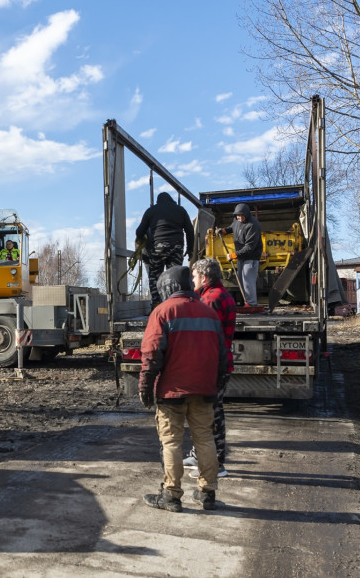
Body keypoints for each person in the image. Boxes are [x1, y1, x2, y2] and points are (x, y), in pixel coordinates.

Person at [139, 266, 228, 513]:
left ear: (168, 288)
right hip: (204, 390)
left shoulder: (163, 312)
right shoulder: (209, 314)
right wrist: (217, 383)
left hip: (171, 392)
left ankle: (171, 495)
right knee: (205, 439)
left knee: (172, 443)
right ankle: (207, 493)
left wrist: (145, 384)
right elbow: (222, 355)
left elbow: (152, 353)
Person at [184, 258, 236, 479]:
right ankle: (199, 456)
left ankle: (216, 464)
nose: (192, 280)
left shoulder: (211, 299)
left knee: (211, 415)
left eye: (194, 276)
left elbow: (201, 334)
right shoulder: (216, 294)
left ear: (204, 278)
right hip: (217, 363)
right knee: (208, 412)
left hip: (212, 366)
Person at [135, 192, 195, 308]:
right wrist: (190, 249)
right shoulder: (180, 210)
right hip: (177, 247)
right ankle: (174, 304)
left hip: (158, 247)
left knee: (155, 276)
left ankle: (156, 303)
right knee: (175, 276)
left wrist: (144, 241)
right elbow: (189, 230)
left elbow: (139, 232)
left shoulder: (151, 211)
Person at [217, 203, 262, 307]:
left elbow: (250, 247)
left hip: (251, 258)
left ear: (247, 214)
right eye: (238, 215)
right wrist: (224, 230)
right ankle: (247, 303)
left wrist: (234, 255)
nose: (240, 218)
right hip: (241, 258)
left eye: (242, 215)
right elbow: (232, 228)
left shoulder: (253, 225)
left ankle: (252, 304)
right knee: (242, 281)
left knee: (248, 282)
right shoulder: (236, 221)